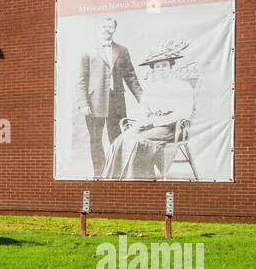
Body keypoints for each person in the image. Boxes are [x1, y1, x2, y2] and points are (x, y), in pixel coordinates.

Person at [102, 40, 194, 180]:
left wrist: (153, 123)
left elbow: (183, 113)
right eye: (158, 66)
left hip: (174, 128)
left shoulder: (182, 86)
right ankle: (116, 178)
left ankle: (139, 178)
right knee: (121, 139)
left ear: (171, 66)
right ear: (153, 69)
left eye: (165, 65)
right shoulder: (152, 88)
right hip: (152, 126)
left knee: (138, 140)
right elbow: (144, 111)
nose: (161, 69)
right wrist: (140, 124)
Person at [75, 16, 144, 177]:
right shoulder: (87, 51)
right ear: (98, 28)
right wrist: (83, 103)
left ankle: (116, 172)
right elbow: (81, 80)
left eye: (110, 27)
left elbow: (131, 76)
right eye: (104, 26)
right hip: (94, 103)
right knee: (95, 140)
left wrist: (143, 99)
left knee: (118, 138)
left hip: (116, 102)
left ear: (114, 29)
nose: (107, 29)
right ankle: (99, 173)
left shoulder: (122, 50)